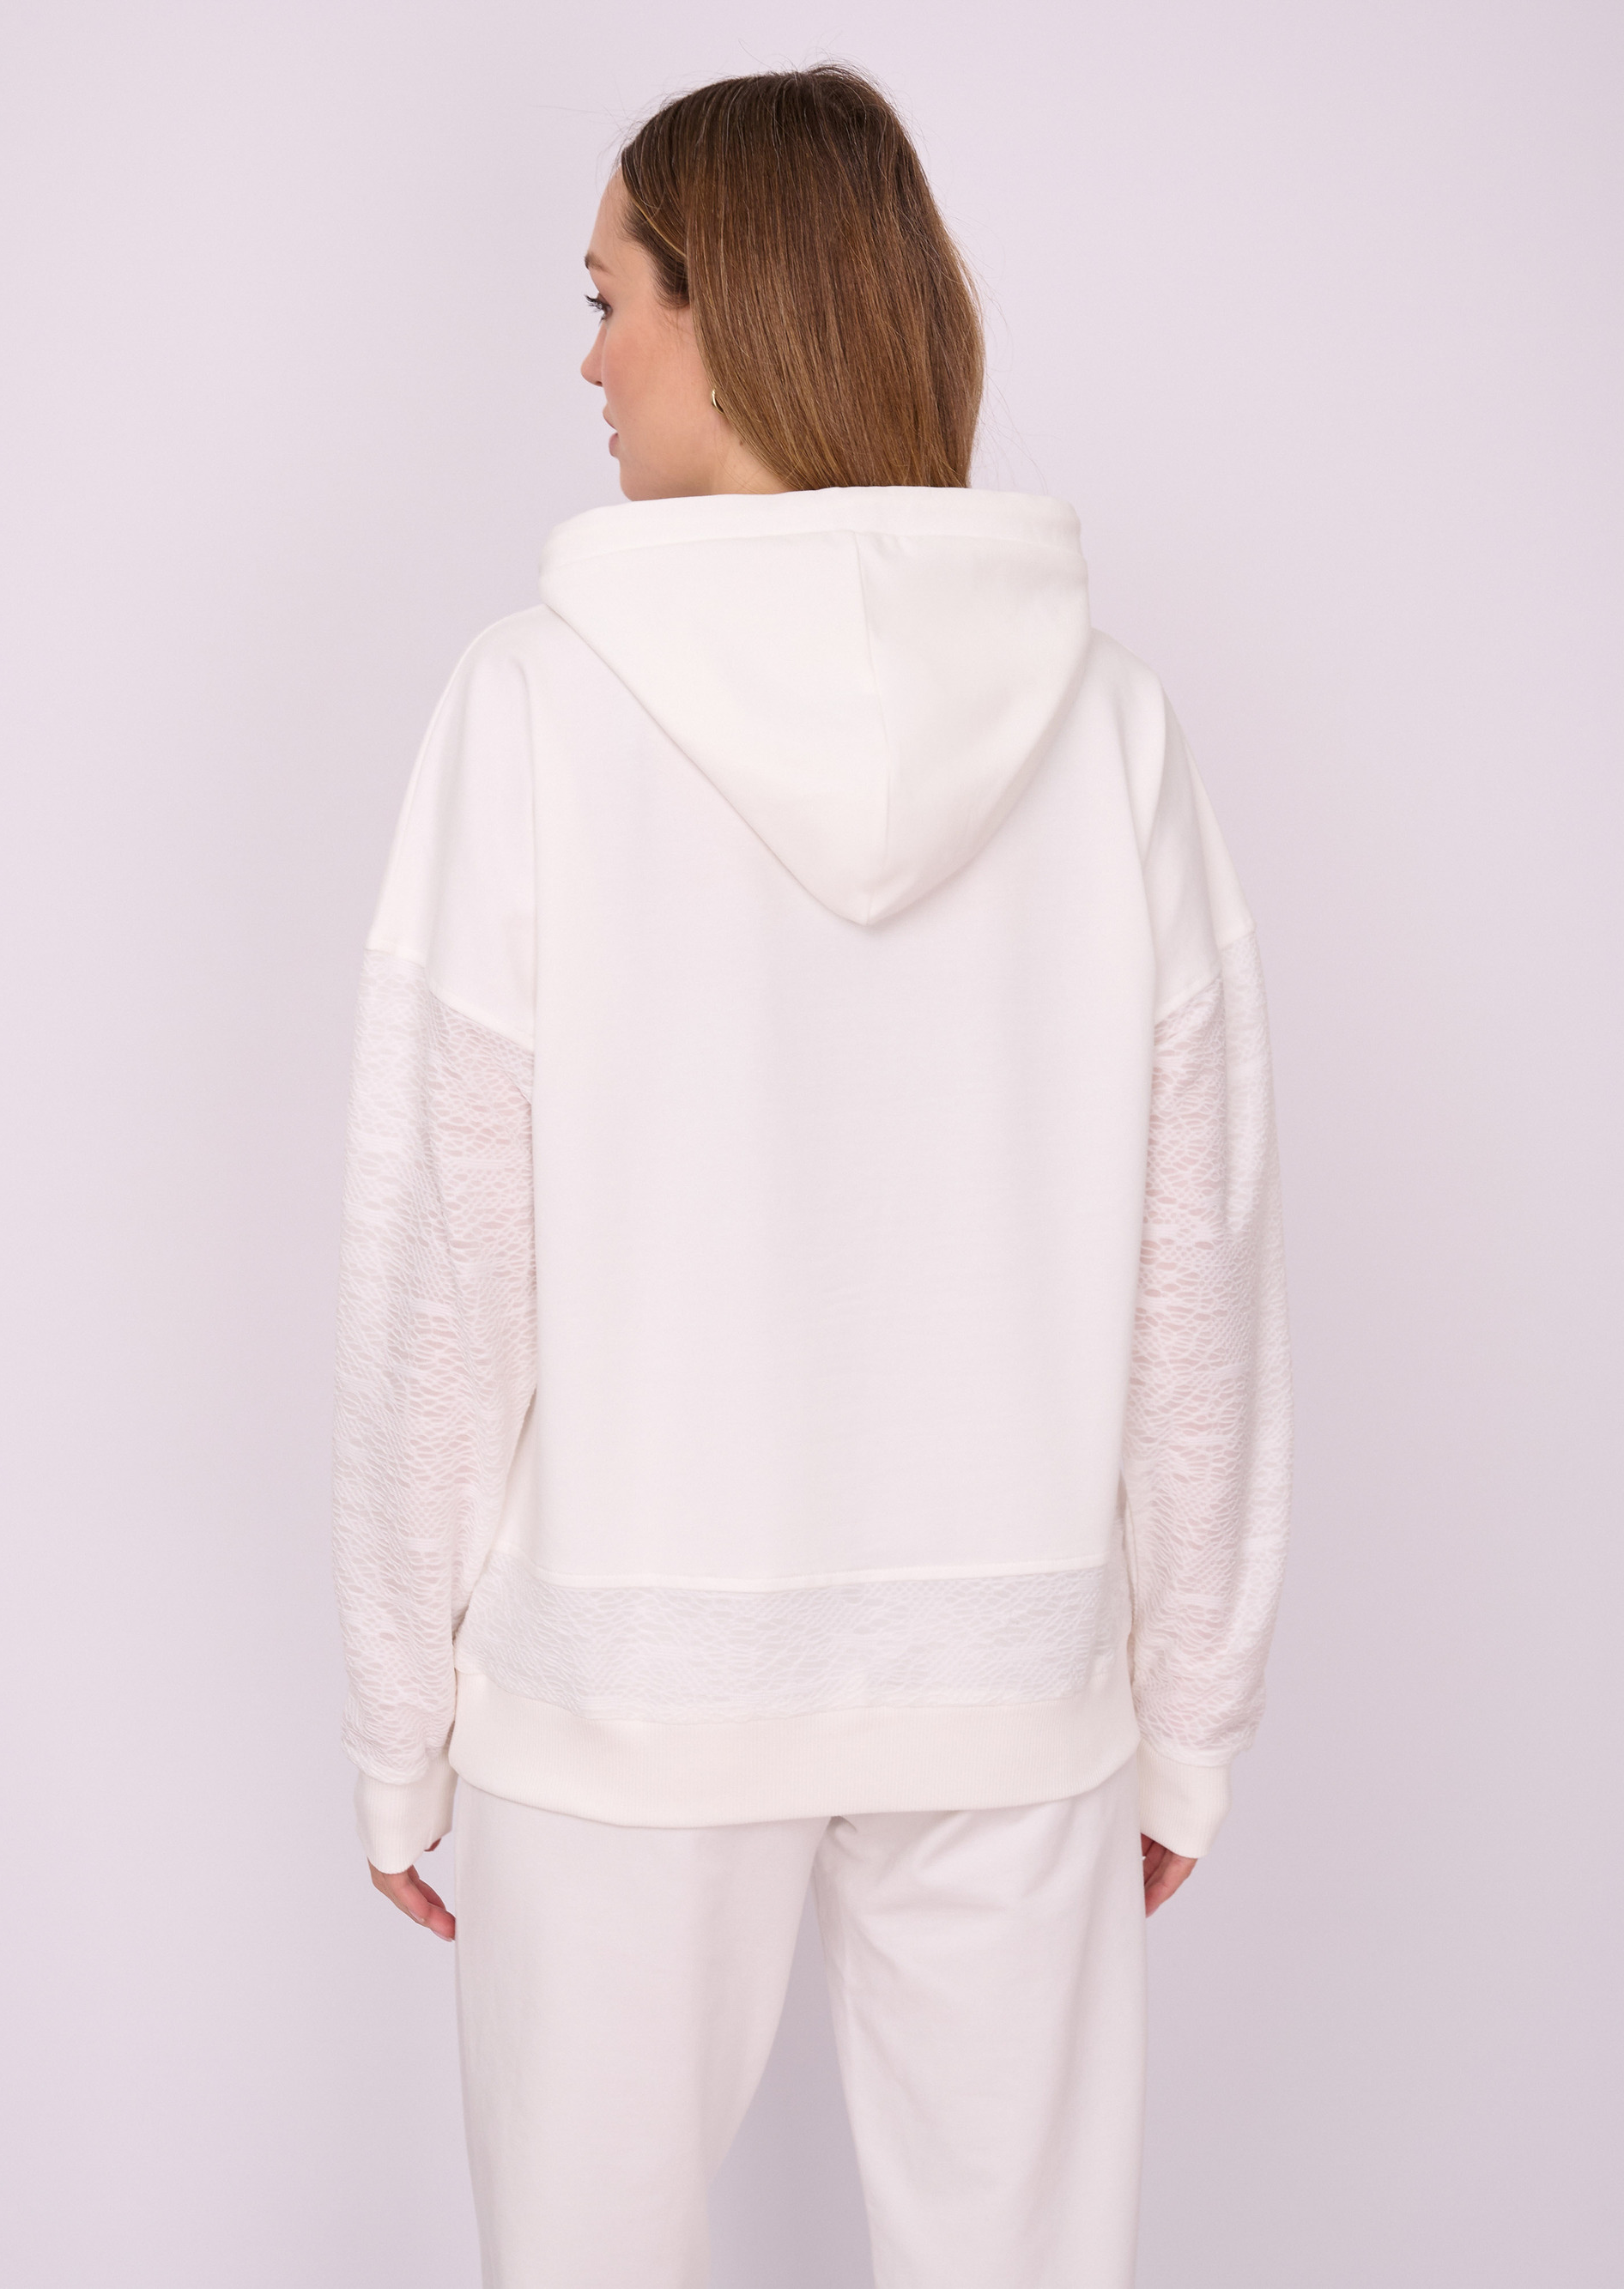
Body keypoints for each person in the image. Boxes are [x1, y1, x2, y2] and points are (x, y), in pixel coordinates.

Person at [331, 63, 1291, 2289]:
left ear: (731, 304)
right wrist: (1188, 1713)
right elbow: (1201, 1259)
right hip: (1008, 1671)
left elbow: (444, 1261)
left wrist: (398, 1719)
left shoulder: (532, 708)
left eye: (610, 300)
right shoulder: (1107, 722)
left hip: (623, 1679)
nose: (588, 363)